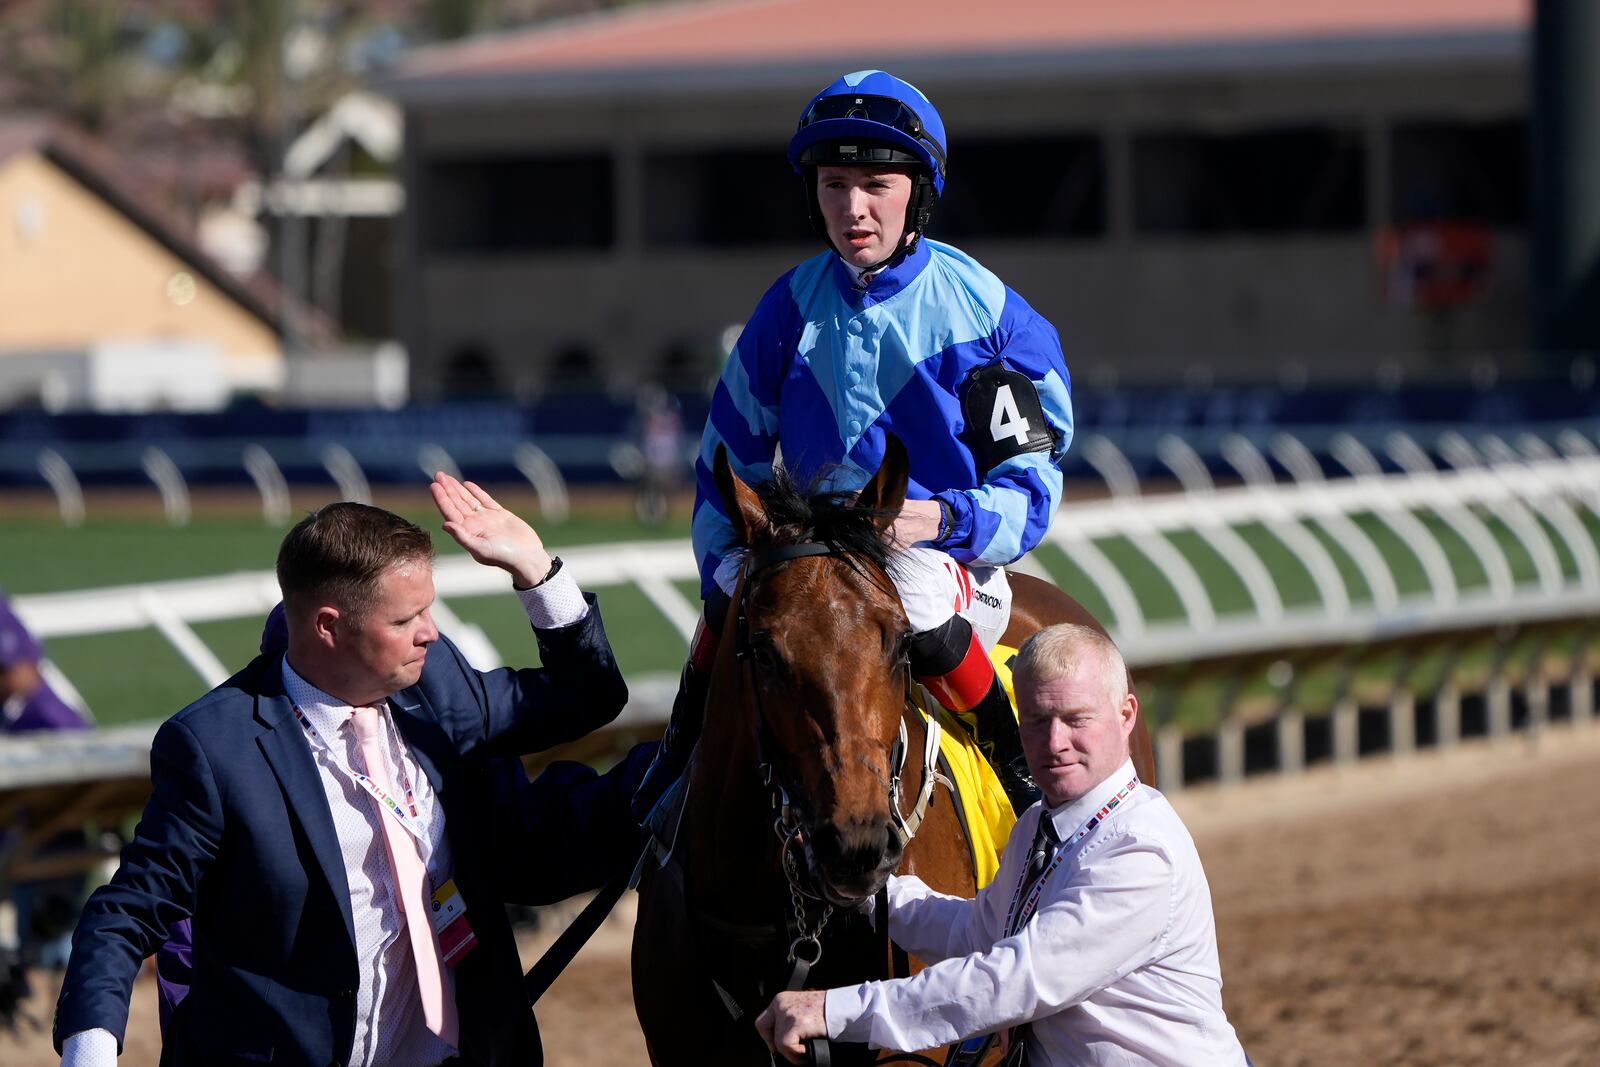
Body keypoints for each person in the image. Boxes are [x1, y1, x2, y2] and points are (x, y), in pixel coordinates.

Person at [54, 476, 633, 1067]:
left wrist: (535, 569)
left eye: (428, 609)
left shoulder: (437, 684)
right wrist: (89, 1055)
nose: (430, 632)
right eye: (407, 618)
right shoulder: (214, 748)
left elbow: (590, 695)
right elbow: (122, 915)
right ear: (328, 626)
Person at [635, 69, 1075, 820]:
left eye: (876, 184)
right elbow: (723, 471)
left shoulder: (992, 317)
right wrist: (730, 571)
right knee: (732, 613)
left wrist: (930, 522)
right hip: (813, 559)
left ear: (920, 191)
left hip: (948, 562)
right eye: (834, 184)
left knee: (918, 587)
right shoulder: (785, 309)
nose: (852, 208)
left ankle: (1016, 767)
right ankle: (677, 761)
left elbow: (1031, 493)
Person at [756, 623, 1249, 1066]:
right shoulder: (1040, 822)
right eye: (1035, 720)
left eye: (1076, 720)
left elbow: (1012, 981)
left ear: (1126, 715)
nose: (1054, 743)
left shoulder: (1140, 851)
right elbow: (980, 932)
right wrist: (868, 892)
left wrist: (834, 1010)